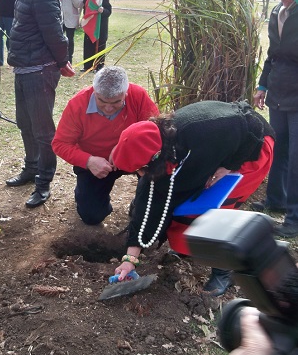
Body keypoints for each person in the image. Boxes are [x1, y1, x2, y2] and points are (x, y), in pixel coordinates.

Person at [110, 100, 275, 296]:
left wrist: (231, 164)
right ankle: (192, 247)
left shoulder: (204, 128)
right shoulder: (163, 147)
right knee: (181, 206)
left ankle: (224, 271)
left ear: (155, 157)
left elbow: (252, 125)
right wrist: (130, 259)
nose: (140, 174)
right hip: (216, 152)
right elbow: (148, 204)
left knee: (216, 209)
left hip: (251, 149)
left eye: (140, 169)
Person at [4, 0, 75, 208]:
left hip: (39, 71)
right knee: (25, 124)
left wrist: (62, 62)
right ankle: (31, 169)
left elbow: (56, 35)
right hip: (24, 68)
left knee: (43, 131)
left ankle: (43, 182)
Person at [51, 66, 158, 225]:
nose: (108, 108)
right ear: (94, 91)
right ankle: (86, 195)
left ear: (126, 93)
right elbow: (60, 143)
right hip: (97, 162)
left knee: (159, 174)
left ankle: (141, 203)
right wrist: (88, 161)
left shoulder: (138, 95)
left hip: (133, 154)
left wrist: (124, 146)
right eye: (101, 101)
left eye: (116, 102)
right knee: (92, 216)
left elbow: (155, 130)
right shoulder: (77, 104)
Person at [252, 0, 298, 238]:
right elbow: (272, 54)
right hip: (279, 92)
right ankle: (276, 201)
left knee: (296, 156)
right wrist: (263, 85)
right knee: (279, 148)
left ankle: (294, 217)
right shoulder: (276, 13)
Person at [82, 0, 112, 71]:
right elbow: (85, 8)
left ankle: (99, 66)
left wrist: (103, 11)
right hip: (90, 24)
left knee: (100, 46)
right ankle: (87, 66)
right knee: (88, 45)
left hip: (101, 26)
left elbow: (109, 11)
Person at [59, 0, 83, 64]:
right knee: (58, 41)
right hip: (59, 19)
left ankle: (69, 62)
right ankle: (59, 60)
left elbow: (79, 4)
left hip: (71, 20)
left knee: (70, 41)